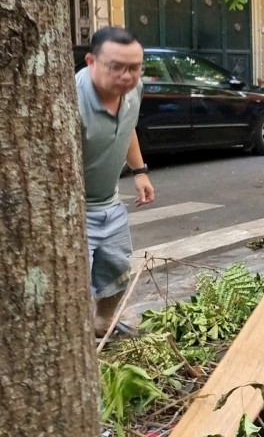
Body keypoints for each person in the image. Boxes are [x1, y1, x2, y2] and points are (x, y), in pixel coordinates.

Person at [78, 26, 156, 338]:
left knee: (118, 271)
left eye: (134, 67)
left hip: (109, 202)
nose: (126, 75)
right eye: (116, 67)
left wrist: (140, 171)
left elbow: (128, 128)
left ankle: (102, 323)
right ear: (91, 62)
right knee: (72, 283)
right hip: (74, 210)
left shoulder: (131, 91)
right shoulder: (69, 100)